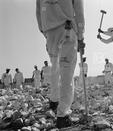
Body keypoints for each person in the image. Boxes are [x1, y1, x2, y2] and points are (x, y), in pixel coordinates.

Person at [36, 0, 85, 128]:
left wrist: (44, 30)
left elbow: (38, 11)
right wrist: (81, 36)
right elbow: (79, 10)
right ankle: (63, 115)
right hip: (66, 29)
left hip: (50, 32)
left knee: (55, 69)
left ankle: (54, 100)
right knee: (67, 72)